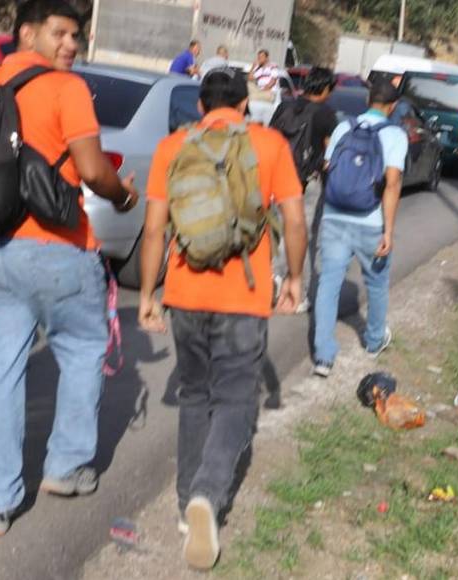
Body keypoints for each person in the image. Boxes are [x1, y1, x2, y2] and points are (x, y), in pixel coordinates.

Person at [0, 0, 138, 537]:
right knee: (84, 350)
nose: (71, 45)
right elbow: (92, 170)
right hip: (57, 244)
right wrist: (125, 197)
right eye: (61, 33)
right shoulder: (67, 89)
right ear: (27, 31)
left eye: (77, 36)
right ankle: (65, 467)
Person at [138, 69, 307, 570]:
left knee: (194, 396)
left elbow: (153, 231)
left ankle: (186, 504)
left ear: (201, 106)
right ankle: (208, 496)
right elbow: (294, 220)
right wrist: (294, 280)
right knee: (235, 399)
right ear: (245, 103)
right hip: (243, 296)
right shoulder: (270, 144)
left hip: (185, 293)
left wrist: (149, 294)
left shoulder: (174, 146)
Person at [312, 80, 407, 377]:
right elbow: (391, 184)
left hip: (335, 216)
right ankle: (374, 340)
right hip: (370, 221)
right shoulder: (394, 135)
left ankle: (323, 357)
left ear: (369, 99)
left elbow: (328, 169)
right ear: (392, 107)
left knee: (328, 283)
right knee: (377, 282)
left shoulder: (343, 127)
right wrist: (388, 231)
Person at [269, 66, 338, 312]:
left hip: (277, 180)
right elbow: (330, 154)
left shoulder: (284, 106)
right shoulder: (326, 114)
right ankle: (298, 295)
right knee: (302, 235)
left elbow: (270, 140)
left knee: (276, 233)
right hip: (307, 182)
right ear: (326, 88)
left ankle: (273, 282)